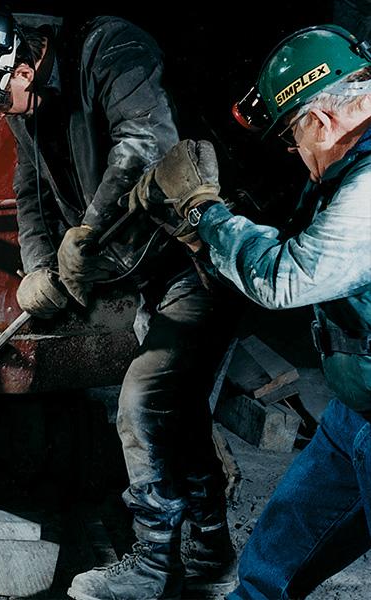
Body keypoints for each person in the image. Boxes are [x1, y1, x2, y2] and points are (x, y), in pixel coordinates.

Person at [0, 2, 240, 598]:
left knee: (143, 403)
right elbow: (30, 187)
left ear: (19, 69)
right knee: (180, 410)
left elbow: (146, 145)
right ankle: (210, 557)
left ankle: (151, 567)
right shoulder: (26, 106)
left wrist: (88, 235)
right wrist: (40, 265)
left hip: (199, 260)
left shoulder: (113, 52)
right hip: (152, 274)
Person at [132, 24, 371, 599]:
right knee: (271, 563)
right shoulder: (346, 174)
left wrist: (205, 213)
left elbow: (287, 277)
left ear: (320, 121)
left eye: (293, 137)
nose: (296, 153)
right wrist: (210, 242)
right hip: (355, 408)